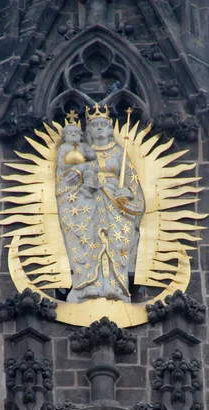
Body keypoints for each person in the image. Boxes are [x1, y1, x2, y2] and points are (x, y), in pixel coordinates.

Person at [55, 105, 145, 303]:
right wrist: (80, 172)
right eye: (94, 125)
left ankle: (116, 286)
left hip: (116, 202)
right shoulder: (81, 151)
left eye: (103, 124)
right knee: (88, 240)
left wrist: (128, 191)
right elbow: (66, 174)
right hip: (88, 201)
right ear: (88, 130)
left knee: (117, 241)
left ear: (110, 129)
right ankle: (88, 285)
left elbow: (131, 179)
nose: (99, 128)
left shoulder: (119, 152)